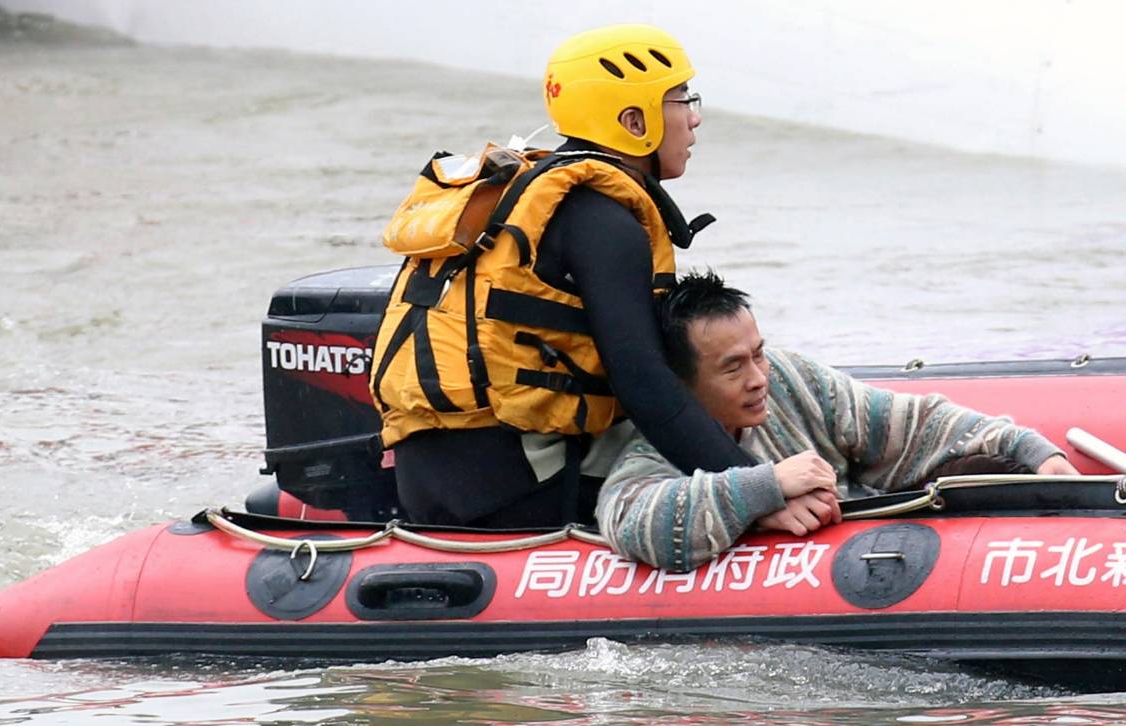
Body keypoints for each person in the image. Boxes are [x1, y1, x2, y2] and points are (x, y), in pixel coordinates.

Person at [369, 25, 753, 527]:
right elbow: (643, 384)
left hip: (432, 481)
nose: (695, 117)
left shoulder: (524, 197)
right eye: (682, 100)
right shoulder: (602, 220)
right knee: (735, 406)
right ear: (634, 121)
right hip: (520, 488)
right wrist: (757, 487)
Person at [596, 270, 1080, 572]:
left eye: (758, 354)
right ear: (681, 383)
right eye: (732, 368)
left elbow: (912, 425)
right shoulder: (655, 446)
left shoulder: (792, 379)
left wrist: (1028, 448)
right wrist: (768, 487)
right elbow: (634, 520)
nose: (758, 378)